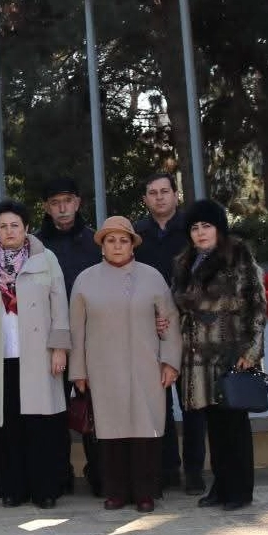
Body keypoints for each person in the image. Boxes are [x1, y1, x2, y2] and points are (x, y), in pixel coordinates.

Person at [69, 216, 182, 514]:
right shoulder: (85, 280)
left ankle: (146, 493)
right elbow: (76, 331)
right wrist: (78, 371)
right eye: (111, 240)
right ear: (102, 246)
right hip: (102, 369)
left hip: (146, 367)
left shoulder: (153, 277)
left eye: (123, 240)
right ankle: (116, 492)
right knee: (110, 433)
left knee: (147, 431)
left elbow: (169, 322)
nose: (117, 246)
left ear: (132, 245)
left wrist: (170, 361)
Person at [0, 201, 70, 509]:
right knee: (7, 426)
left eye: (14, 225)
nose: (8, 231)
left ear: (25, 228)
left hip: (38, 354)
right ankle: (13, 489)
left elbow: (59, 306)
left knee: (40, 425)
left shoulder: (45, 259)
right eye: (2, 226)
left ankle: (45, 490)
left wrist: (59, 348)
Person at [172, 200, 266, 512]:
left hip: (230, 353)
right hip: (197, 357)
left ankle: (239, 491)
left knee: (234, 425)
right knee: (214, 425)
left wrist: (251, 352)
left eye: (206, 226)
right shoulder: (186, 262)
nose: (200, 233)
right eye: (195, 228)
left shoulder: (238, 255)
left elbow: (256, 306)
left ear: (219, 228)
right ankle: (221, 486)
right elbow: (182, 306)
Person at [133, 171, 205, 495]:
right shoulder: (137, 234)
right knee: (158, 404)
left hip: (189, 329)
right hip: (151, 331)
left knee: (192, 404)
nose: (159, 197)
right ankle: (166, 469)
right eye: (152, 192)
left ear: (175, 195)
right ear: (146, 199)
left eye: (165, 191)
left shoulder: (192, 231)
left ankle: (193, 471)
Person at [35, 176, 103, 496]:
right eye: (55, 203)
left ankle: (99, 473)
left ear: (77, 203)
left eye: (68, 201)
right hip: (48, 342)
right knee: (55, 411)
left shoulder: (96, 242)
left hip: (92, 340)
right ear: (47, 208)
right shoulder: (34, 246)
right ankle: (59, 475)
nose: (62, 208)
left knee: (93, 408)